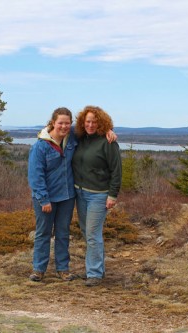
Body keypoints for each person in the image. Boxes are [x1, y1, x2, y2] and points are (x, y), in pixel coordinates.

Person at [72, 105, 122, 287]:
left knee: (92, 234)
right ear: (82, 123)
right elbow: (58, 128)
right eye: (88, 121)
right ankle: (95, 269)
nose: (91, 125)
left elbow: (116, 171)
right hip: (80, 192)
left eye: (94, 122)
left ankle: (94, 273)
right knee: (88, 233)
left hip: (98, 195)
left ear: (101, 123)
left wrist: (112, 195)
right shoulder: (81, 138)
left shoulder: (108, 143)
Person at [27, 107, 77, 282]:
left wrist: (108, 130)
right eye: (60, 123)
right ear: (53, 123)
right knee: (43, 232)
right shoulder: (41, 146)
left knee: (63, 233)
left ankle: (63, 269)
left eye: (67, 123)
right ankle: (39, 269)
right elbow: (35, 175)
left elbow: (91, 129)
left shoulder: (71, 140)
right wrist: (43, 199)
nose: (64, 126)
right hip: (46, 198)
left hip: (67, 197)